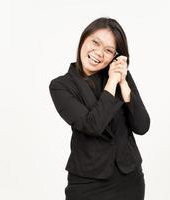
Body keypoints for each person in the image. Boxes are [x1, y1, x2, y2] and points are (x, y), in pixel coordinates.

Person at [49, 17, 150, 200]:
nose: (99, 53)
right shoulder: (61, 86)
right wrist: (112, 82)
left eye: (109, 50)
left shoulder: (120, 76)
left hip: (129, 178)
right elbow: (93, 125)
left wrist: (124, 85)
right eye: (95, 42)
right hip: (88, 183)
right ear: (84, 39)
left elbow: (142, 126)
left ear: (115, 56)